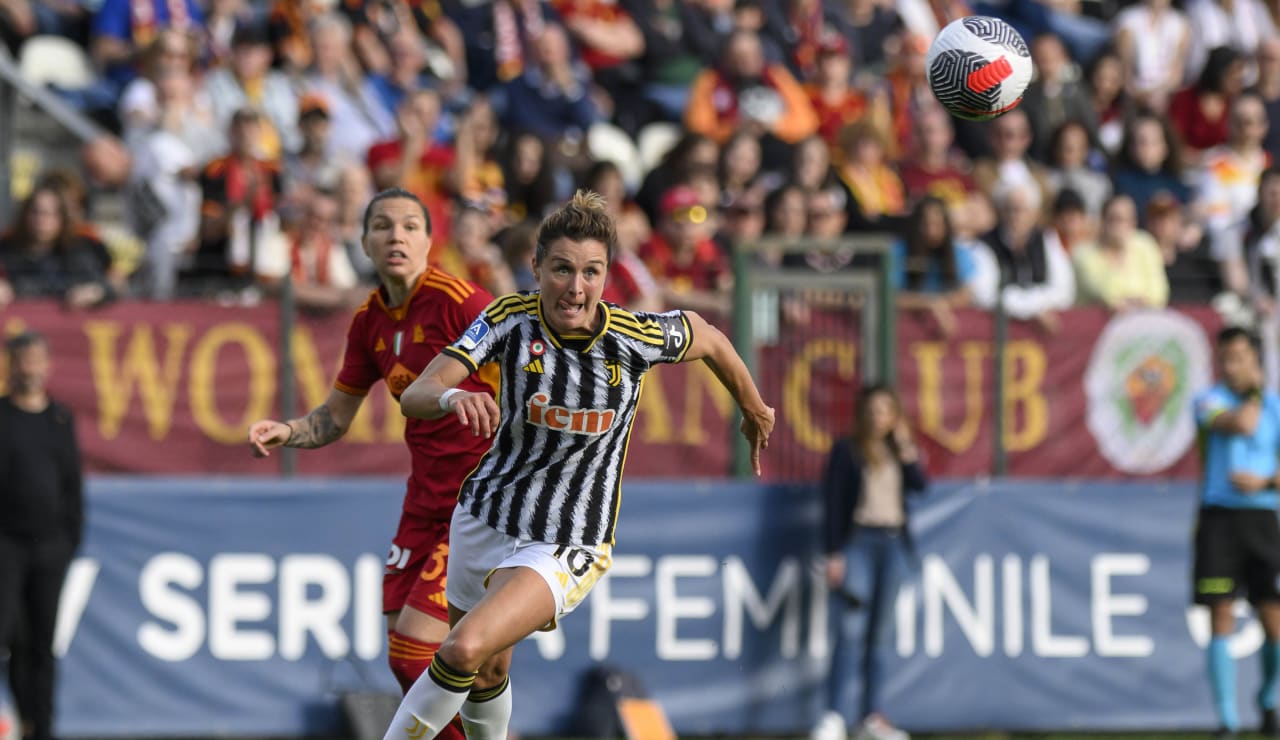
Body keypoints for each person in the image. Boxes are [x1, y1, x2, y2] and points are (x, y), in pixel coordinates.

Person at [384, 190, 775, 739]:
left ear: (607, 275)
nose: (576, 286)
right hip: (483, 516)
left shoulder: (633, 338)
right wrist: (453, 398)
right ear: (537, 267)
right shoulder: (508, 320)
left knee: (464, 647)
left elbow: (708, 338)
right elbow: (416, 395)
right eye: (562, 269)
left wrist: (754, 407)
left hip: (570, 537)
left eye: (591, 272)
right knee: (488, 668)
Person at [247, 188, 498, 740]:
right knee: (410, 663)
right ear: (362, 242)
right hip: (423, 505)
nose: (396, 236)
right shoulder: (369, 321)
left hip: (477, 505)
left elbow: (531, 360)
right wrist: (288, 430)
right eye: (382, 226)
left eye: (411, 225)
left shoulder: (462, 302)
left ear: (431, 241)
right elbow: (336, 417)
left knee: (417, 653)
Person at [812, 384, 926, 740]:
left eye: (885, 411)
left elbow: (920, 485)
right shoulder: (847, 451)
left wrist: (907, 449)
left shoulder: (897, 450)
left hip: (892, 543)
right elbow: (833, 503)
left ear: (895, 416)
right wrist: (833, 552)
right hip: (858, 542)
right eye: (873, 410)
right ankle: (833, 716)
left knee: (880, 637)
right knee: (849, 631)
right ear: (863, 414)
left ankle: (870, 717)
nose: (878, 417)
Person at [1192, 326, 1280, 739]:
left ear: (1255, 359)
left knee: (1273, 617)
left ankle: (1268, 700)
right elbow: (1241, 424)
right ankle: (1227, 721)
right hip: (1220, 519)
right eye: (1225, 358)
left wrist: (1263, 483)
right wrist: (1255, 393)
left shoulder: (1275, 408)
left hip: (1263, 519)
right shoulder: (1208, 401)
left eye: (1239, 357)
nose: (1231, 366)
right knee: (1221, 611)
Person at [0, 331, 84, 740]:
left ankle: (42, 727)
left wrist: (70, 541)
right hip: (6, 547)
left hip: (51, 547)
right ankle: (21, 718)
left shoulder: (60, 418)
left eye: (35, 359)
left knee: (43, 645)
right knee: (10, 636)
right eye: (21, 360)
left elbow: (72, 485)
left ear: (48, 364)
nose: (28, 368)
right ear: (10, 365)